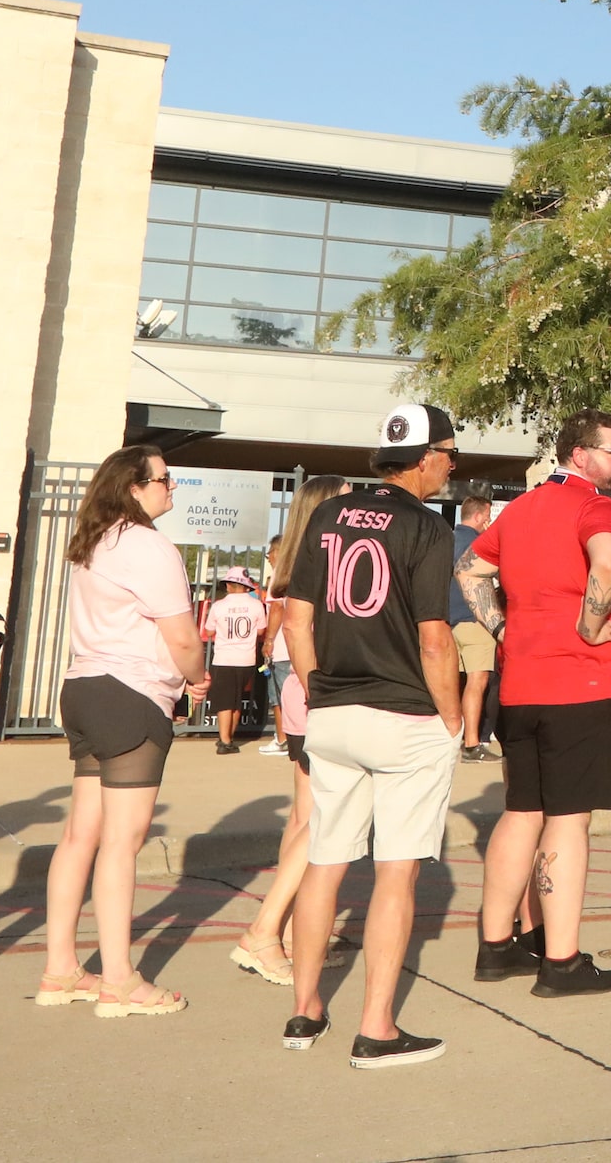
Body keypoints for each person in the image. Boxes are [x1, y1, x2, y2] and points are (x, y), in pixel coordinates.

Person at [282, 404, 466, 1065]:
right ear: (424, 458)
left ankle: (304, 1012)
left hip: (333, 709)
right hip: (405, 713)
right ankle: (377, 1027)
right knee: (396, 873)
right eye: (449, 452)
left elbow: (296, 621)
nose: (451, 465)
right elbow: (435, 638)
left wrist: (316, 689)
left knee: (325, 860)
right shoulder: (426, 526)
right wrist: (453, 718)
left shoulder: (330, 512)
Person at [458, 409, 611, 997]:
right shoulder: (593, 505)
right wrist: (588, 627)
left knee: (520, 812)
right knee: (568, 820)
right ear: (580, 454)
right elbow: (607, 564)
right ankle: (561, 962)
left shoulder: (523, 507)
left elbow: (470, 569)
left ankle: (495, 948)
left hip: (521, 683)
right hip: (576, 683)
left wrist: (504, 628)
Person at [41, 444, 204, 1018]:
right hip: (132, 692)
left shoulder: (93, 542)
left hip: (84, 687)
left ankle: (61, 968)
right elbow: (182, 636)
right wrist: (199, 679)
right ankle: (119, 980)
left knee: (80, 835)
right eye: (164, 479)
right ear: (134, 488)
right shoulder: (149, 546)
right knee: (122, 842)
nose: (172, 488)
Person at [232, 474, 351, 983]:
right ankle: (263, 930)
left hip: (303, 697)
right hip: (321, 694)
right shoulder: (326, 562)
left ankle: (286, 930)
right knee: (325, 821)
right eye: (347, 501)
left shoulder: (298, 562)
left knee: (304, 818)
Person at [448, 493, 500, 762]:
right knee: (477, 681)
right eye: (487, 517)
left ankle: (451, 737)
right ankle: (471, 743)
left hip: (447, 620)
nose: (489, 522)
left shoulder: (446, 540)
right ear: (479, 516)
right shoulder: (481, 543)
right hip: (474, 619)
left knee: (453, 682)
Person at [204, 568, 267, 754]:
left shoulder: (218, 606)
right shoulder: (257, 605)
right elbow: (262, 630)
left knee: (225, 701)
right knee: (238, 699)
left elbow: (208, 631)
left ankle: (224, 741)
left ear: (229, 585)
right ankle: (229, 737)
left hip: (224, 658)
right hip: (246, 659)